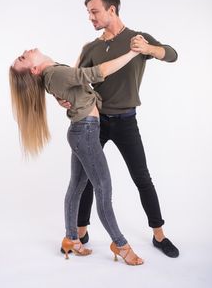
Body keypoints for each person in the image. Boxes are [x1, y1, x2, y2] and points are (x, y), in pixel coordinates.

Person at [59, 0, 179, 258]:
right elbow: (75, 80)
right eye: (89, 13)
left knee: (142, 177)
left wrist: (149, 48)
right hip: (93, 123)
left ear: (111, 10)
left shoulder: (137, 39)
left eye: (94, 12)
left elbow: (172, 54)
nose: (90, 18)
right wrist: (65, 99)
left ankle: (159, 234)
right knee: (86, 179)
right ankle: (80, 232)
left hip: (127, 123)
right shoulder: (91, 47)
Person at [9, 47, 145, 265]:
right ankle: (120, 244)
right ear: (34, 69)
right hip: (86, 133)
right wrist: (132, 53)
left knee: (77, 186)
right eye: (23, 57)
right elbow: (97, 72)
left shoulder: (52, 75)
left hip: (81, 132)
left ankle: (71, 239)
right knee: (103, 189)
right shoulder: (54, 75)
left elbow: (74, 78)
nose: (25, 50)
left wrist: (81, 54)